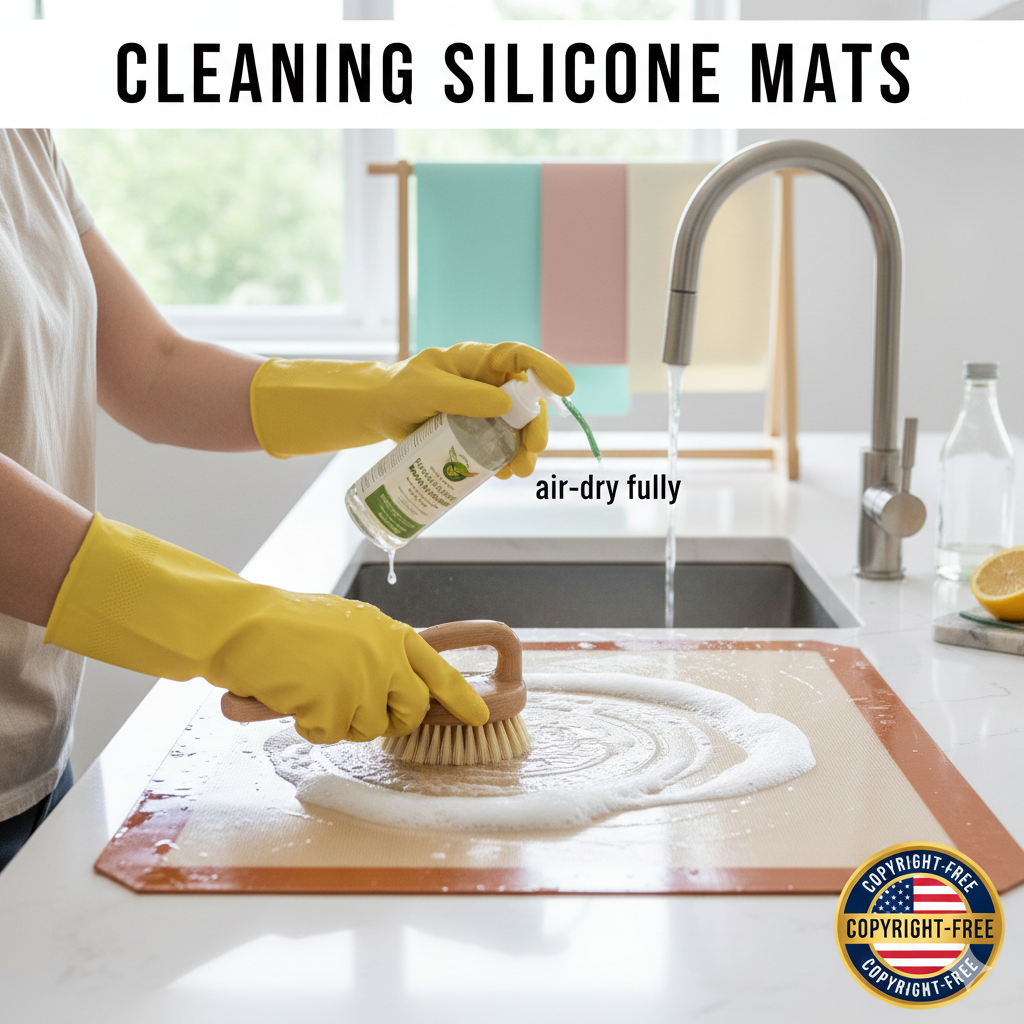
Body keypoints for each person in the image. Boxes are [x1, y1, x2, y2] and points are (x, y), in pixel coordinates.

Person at [0, 129, 574, 870]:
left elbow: (151, 369)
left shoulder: (23, 131)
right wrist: (238, 625)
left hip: (36, 762)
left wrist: (378, 394)